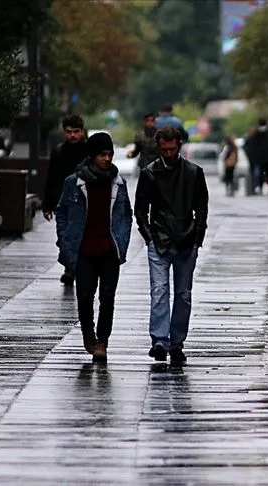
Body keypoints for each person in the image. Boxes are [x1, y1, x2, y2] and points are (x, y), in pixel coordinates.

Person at [55, 132, 133, 363]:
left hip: (110, 250)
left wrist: (123, 242)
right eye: (102, 154)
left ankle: (102, 341)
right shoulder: (74, 183)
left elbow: (126, 214)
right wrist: (65, 241)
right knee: (85, 296)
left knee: (108, 298)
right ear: (92, 156)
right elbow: (62, 212)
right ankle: (88, 334)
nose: (107, 159)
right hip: (84, 250)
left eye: (109, 154)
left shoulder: (118, 183)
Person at [135, 127, 209, 364]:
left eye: (172, 148)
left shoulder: (194, 173)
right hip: (160, 239)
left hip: (185, 241)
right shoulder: (150, 173)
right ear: (159, 147)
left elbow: (202, 208)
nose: (168, 153)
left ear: (179, 146)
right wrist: (148, 237)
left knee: (182, 294)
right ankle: (160, 341)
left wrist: (197, 237)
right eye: (164, 149)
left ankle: (175, 342)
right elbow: (140, 210)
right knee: (161, 291)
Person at [43, 115, 88, 285]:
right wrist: (47, 204)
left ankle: (75, 267)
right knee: (64, 235)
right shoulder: (59, 151)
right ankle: (70, 267)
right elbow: (51, 177)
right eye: (69, 132)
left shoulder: (89, 151)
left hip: (84, 201)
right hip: (63, 200)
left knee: (81, 235)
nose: (73, 135)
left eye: (76, 131)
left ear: (82, 132)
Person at [243, 119, 268, 195]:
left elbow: (248, 146)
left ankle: (256, 188)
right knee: (267, 174)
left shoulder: (254, 134)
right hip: (267, 159)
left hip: (256, 159)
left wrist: (251, 156)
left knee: (256, 174)